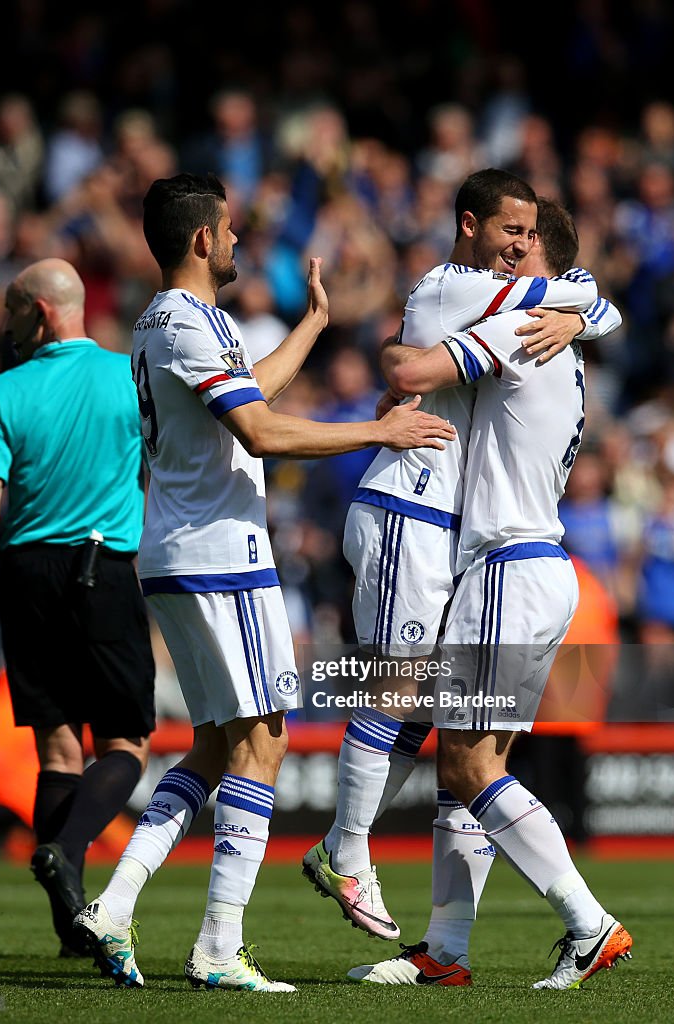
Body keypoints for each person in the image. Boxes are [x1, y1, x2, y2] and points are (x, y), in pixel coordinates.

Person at [72, 171, 454, 993]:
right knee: (267, 742)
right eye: (233, 228)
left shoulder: (175, 321)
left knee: (215, 745)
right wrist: (377, 430)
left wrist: (315, 322)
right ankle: (217, 947)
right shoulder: (181, 321)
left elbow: (256, 390)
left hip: (185, 549)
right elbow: (258, 427)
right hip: (219, 554)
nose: (242, 239)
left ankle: (115, 899)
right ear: (203, 239)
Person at [302, 169, 620, 940]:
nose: (514, 251)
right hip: (443, 526)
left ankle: (582, 922)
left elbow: (408, 368)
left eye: (526, 240)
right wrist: (583, 315)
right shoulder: (475, 295)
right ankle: (435, 935)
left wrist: (390, 359)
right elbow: (599, 304)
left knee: (465, 757)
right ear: (472, 224)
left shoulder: (521, 319)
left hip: (491, 554)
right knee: (435, 723)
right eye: (506, 233)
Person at [0, 258, 156, 957]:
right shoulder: (130, 375)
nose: (6, 329)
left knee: (58, 750)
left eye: (10, 315)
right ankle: (64, 848)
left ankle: (69, 930)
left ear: (38, 311)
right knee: (124, 743)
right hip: (103, 566)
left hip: (27, 574)